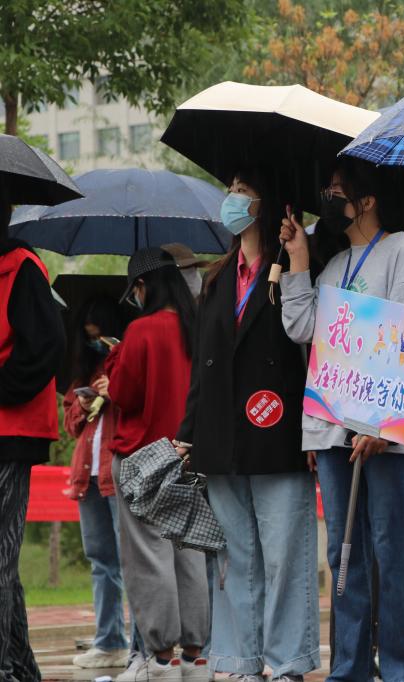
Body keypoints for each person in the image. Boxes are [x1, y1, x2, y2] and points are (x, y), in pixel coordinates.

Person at [279, 156, 404, 681]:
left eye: (337, 191)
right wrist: (298, 258)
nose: (328, 199)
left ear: (367, 201)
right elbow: (302, 327)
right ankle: (349, 669)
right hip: (335, 433)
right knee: (344, 552)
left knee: (392, 548)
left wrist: (382, 425)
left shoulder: (402, 253)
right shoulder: (333, 267)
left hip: (385, 434)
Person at [175, 170, 319, 681]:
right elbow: (201, 365)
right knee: (233, 558)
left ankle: (288, 662)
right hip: (221, 438)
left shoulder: (296, 266)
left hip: (279, 434)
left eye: (241, 190)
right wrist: (188, 432)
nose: (231, 199)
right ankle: (239, 660)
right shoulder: (216, 278)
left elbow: (312, 350)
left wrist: (314, 429)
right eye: (231, 189)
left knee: (284, 557)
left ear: (264, 202)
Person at [105, 247, 210, 682]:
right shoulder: (197, 327)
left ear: (143, 286)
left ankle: (162, 658)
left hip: (142, 455)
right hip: (187, 453)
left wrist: (114, 358)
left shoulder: (141, 330)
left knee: (149, 557)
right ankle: (195, 658)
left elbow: (122, 394)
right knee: (188, 553)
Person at [0, 192, 65, 682]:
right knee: (3, 560)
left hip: (13, 430)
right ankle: (19, 667)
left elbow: (46, 347)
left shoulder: (22, 267)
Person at [63, 296, 130, 669]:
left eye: (100, 336)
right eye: (89, 337)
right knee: (101, 560)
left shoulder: (127, 362)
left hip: (117, 474)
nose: (95, 343)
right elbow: (71, 424)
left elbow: (140, 407)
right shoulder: (83, 373)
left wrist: (114, 389)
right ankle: (109, 641)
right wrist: (84, 404)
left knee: (130, 560)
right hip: (86, 477)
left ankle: (143, 643)